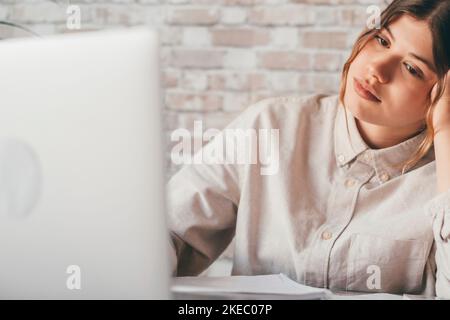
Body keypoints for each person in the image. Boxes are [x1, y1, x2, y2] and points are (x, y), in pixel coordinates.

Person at [166, 0, 450, 298]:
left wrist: (445, 132)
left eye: (411, 68)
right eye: (382, 40)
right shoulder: (270, 126)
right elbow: (170, 232)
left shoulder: (440, 179)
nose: (376, 68)